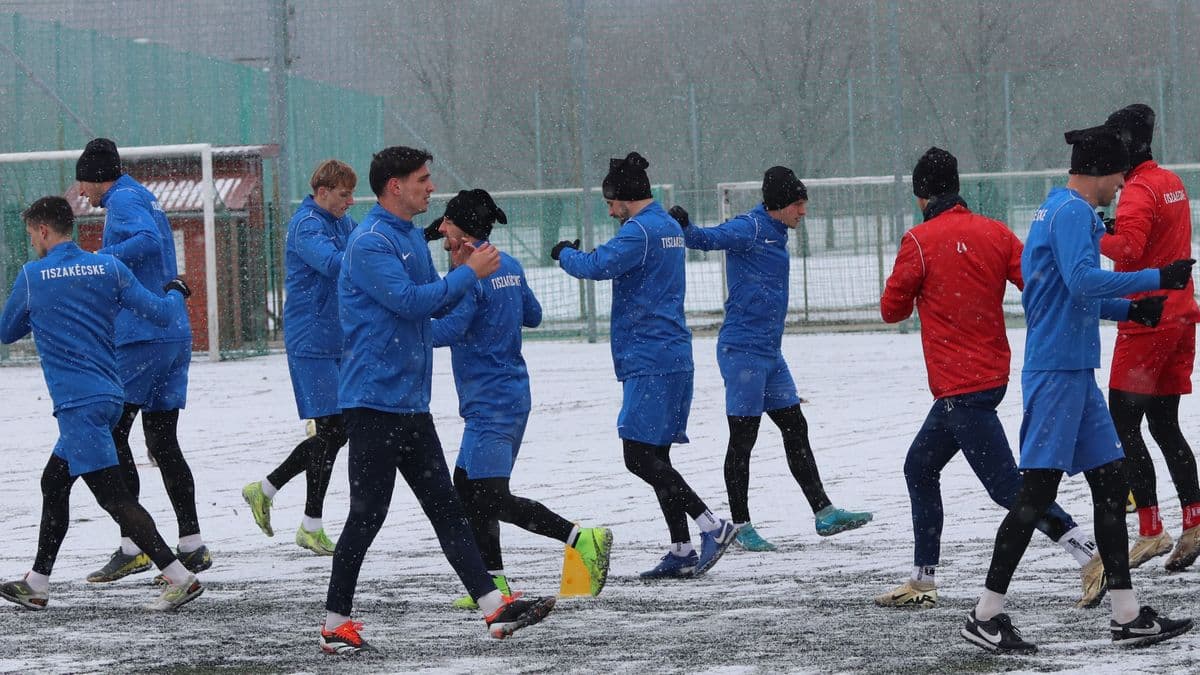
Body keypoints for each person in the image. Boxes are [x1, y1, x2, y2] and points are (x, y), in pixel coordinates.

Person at [961, 125, 1194, 653]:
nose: (1120, 187)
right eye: (1118, 176)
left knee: (1112, 486)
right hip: (1057, 375)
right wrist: (1156, 276)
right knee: (1035, 496)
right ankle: (985, 614)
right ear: (1102, 170)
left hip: (1073, 373)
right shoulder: (1072, 213)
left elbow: (1074, 294)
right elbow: (1085, 281)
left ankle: (1127, 614)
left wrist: (1134, 308)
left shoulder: (1057, 208)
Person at [320, 147, 555, 655]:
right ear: (394, 187)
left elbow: (438, 304)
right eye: (423, 180)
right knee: (367, 514)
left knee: (448, 509)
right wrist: (469, 271)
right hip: (373, 403)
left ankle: (494, 609)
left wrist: (469, 276)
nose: (431, 188)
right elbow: (410, 303)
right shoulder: (370, 242)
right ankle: (336, 622)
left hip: (408, 404)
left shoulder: (406, 235)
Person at [877, 147, 1103, 609]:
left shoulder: (918, 241)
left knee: (1008, 489)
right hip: (988, 376)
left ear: (922, 195)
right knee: (919, 466)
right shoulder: (994, 232)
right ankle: (923, 579)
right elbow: (1037, 281)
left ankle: (1090, 555)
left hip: (959, 386)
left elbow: (890, 310)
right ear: (957, 187)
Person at [0, 196, 204, 612]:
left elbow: (7, 331)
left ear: (42, 231)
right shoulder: (108, 267)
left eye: (31, 235)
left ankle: (178, 576)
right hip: (111, 395)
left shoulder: (33, 276)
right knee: (54, 483)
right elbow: (162, 314)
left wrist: (39, 309)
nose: (32, 243)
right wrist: (176, 292)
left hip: (78, 404)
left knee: (114, 499)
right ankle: (37, 582)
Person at [553, 151, 737, 579]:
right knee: (657, 457)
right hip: (672, 354)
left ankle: (712, 525)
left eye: (611, 202)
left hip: (649, 356)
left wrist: (563, 253)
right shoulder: (668, 225)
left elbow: (596, 265)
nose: (610, 210)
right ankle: (681, 549)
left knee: (637, 456)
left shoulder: (639, 231)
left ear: (624, 198)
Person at [668, 167, 872, 552]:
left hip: (770, 353)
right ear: (780, 205)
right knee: (743, 439)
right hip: (741, 352)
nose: (804, 212)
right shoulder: (749, 228)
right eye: (798, 205)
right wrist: (685, 225)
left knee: (796, 426)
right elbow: (708, 239)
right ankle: (741, 525)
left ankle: (823, 512)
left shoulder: (777, 231)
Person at [428, 189, 612, 607]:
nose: (441, 231)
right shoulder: (507, 264)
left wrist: (402, 336)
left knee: (491, 497)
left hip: (492, 404)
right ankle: (495, 583)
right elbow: (533, 315)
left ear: (465, 233)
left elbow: (449, 330)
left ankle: (580, 538)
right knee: (468, 488)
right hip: (507, 397)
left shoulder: (475, 277)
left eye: (447, 225)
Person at [73, 138, 209, 583]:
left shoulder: (123, 199)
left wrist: (98, 260)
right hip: (171, 331)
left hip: (142, 335)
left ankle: (132, 545)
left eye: (83, 183)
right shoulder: (143, 194)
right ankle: (191, 544)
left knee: (114, 433)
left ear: (96, 177)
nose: (82, 192)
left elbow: (147, 241)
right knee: (163, 440)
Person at [1099, 104, 1200, 573]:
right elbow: (1153, 238)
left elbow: (1130, 253)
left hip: (1148, 319)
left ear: (1125, 144)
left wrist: (1096, 234)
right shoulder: (1171, 182)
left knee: (1122, 425)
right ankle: (1194, 520)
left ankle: (1150, 528)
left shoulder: (1137, 191)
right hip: (1181, 315)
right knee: (1165, 425)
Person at [242, 160, 357, 556]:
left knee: (335, 432)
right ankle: (300, 516)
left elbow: (362, 248)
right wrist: (378, 260)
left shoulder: (342, 221)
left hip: (338, 338)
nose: (350, 202)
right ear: (322, 192)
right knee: (333, 430)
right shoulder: (307, 225)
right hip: (310, 339)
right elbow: (334, 263)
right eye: (344, 194)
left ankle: (278, 497)